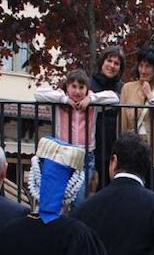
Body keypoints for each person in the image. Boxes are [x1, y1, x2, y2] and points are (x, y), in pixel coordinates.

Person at [35, 69, 120, 203]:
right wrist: (64, 99)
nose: (77, 91)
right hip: (62, 154)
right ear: (67, 87)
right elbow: (38, 93)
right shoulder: (59, 99)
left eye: (81, 87)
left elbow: (114, 98)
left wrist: (91, 99)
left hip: (84, 156)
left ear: (87, 89)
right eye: (73, 86)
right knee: (57, 198)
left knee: (79, 199)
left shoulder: (92, 103)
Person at [120, 46, 154, 192]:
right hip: (132, 146)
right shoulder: (127, 88)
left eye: (148, 66)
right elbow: (122, 119)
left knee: (152, 190)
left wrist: (151, 97)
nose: (143, 70)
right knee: (131, 189)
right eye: (141, 65)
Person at [88, 46, 125, 190]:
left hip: (113, 143)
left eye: (117, 63)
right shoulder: (89, 83)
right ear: (102, 62)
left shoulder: (122, 88)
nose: (112, 66)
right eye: (109, 61)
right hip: (92, 141)